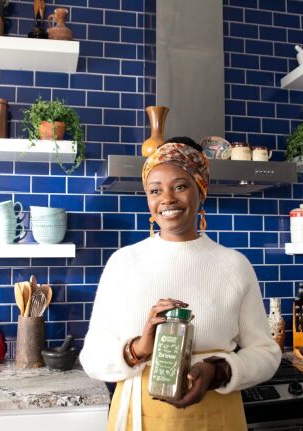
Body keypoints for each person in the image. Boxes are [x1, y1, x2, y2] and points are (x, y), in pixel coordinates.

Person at [80, 137, 281, 431]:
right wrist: (139, 348)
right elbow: (92, 357)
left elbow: (266, 353)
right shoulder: (123, 263)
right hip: (139, 416)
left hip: (216, 413)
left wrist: (220, 371)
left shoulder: (234, 265)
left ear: (200, 189)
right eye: (155, 190)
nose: (167, 199)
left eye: (180, 186)